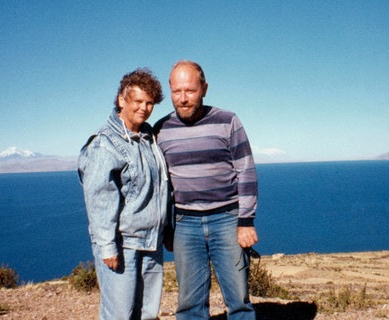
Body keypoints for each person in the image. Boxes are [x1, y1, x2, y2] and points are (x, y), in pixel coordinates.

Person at [154, 60, 259, 320]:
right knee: (189, 304)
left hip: (226, 220)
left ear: (204, 88)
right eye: (177, 92)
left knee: (238, 299)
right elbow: (161, 185)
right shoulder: (161, 130)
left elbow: (245, 171)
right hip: (184, 224)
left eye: (190, 91)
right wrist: (167, 228)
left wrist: (245, 221)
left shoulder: (228, 121)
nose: (183, 98)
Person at [78, 68, 169, 320]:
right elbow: (99, 198)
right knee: (119, 315)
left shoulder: (149, 138)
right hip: (123, 244)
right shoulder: (105, 143)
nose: (144, 108)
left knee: (147, 313)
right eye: (138, 101)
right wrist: (107, 246)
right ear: (122, 100)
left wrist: (167, 229)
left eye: (150, 103)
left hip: (151, 242)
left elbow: (159, 189)